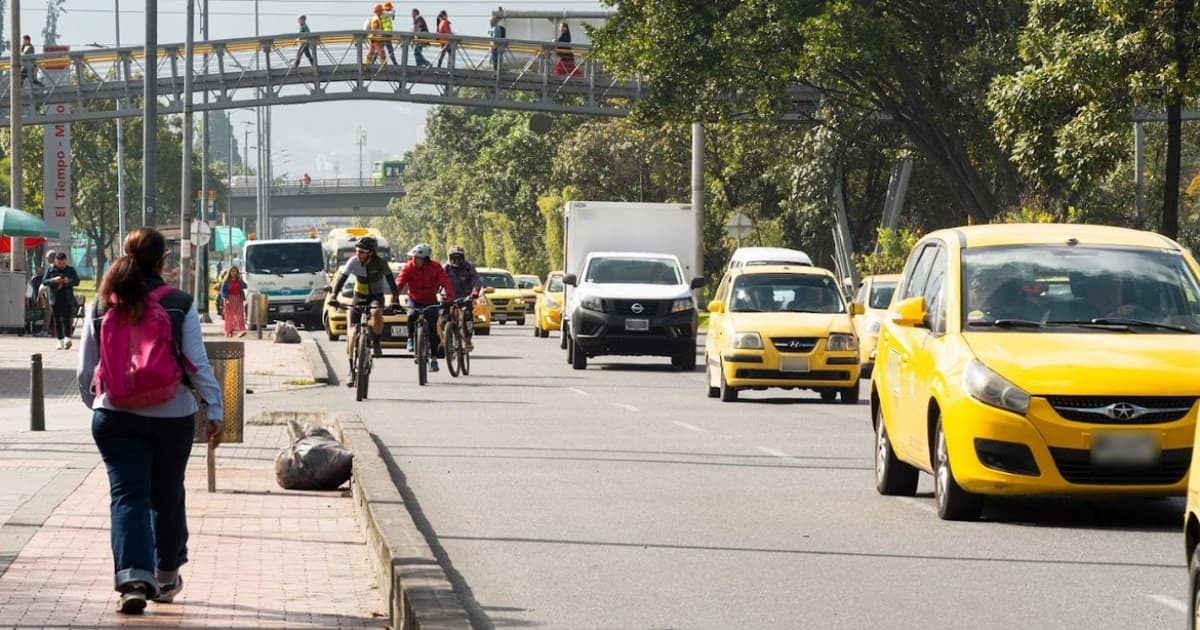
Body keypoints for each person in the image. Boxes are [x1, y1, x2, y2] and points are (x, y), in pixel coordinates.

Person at [76, 227, 225, 614]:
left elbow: (84, 369)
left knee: (128, 496)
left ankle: (132, 578)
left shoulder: (103, 302)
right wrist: (216, 408)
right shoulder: (178, 302)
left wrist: (98, 403)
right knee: (167, 492)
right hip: (172, 415)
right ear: (163, 260)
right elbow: (196, 362)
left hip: (114, 414)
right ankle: (165, 575)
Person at [328, 236, 399, 380]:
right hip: (358, 297)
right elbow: (342, 278)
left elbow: (392, 283)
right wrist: (334, 296)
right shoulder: (353, 261)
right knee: (352, 334)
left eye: (361, 252)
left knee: (376, 313)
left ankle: (376, 342)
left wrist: (395, 299)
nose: (357, 254)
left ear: (370, 253)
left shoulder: (380, 263)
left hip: (376, 297)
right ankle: (351, 371)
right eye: (356, 251)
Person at [395, 243, 453, 372]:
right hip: (414, 300)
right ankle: (410, 339)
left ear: (426, 259)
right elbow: (399, 283)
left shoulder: (435, 267)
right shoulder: (408, 267)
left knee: (433, 329)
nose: (414, 260)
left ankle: (433, 359)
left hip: (430, 301)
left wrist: (449, 299)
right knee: (410, 316)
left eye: (418, 258)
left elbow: (446, 282)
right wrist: (394, 299)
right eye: (413, 257)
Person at [443, 245, 482, 351]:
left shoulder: (468, 267)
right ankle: (445, 338)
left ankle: (468, 340)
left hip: (465, 297)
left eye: (458, 258)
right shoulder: (445, 268)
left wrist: (474, 291)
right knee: (441, 315)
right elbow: (437, 281)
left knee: (468, 316)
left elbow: (476, 280)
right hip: (448, 298)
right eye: (453, 258)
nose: (456, 261)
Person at [43, 251, 80, 350]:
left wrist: (68, 281)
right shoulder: (50, 270)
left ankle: (68, 339)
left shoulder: (71, 270)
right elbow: (44, 281)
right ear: (55, 261)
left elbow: (77, 281)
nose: (61, 266)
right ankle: (60, 341)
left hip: (67, 298)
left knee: (67, 319)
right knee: (57, 320)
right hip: (55, 298)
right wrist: (53, 280)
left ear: (66, 261)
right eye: (59, 264)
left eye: (63, 263)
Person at [32, 250, 56, 337]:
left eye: (47, 257)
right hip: (52, 293)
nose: (46, 259)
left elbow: (48, 281)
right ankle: (50, 330)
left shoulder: (53, 267)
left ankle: (46, 330)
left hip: (53, 294)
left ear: (51, 258)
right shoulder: (52, 267)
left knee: (48, 312)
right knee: (49, 312)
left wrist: (40, 294)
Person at [219, 266, 248, 337]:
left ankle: (241, 330)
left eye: (235, 271)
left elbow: (245, 286)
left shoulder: (239, 280)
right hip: (229, 299)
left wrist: (241, 280)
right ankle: (229, 331)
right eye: (232, 271)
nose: (233, 273)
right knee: (229, 316)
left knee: (239, 315)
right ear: (229, 272)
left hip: (238, 299)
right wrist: (226, 298)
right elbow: (223, 291)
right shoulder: (226, 281)